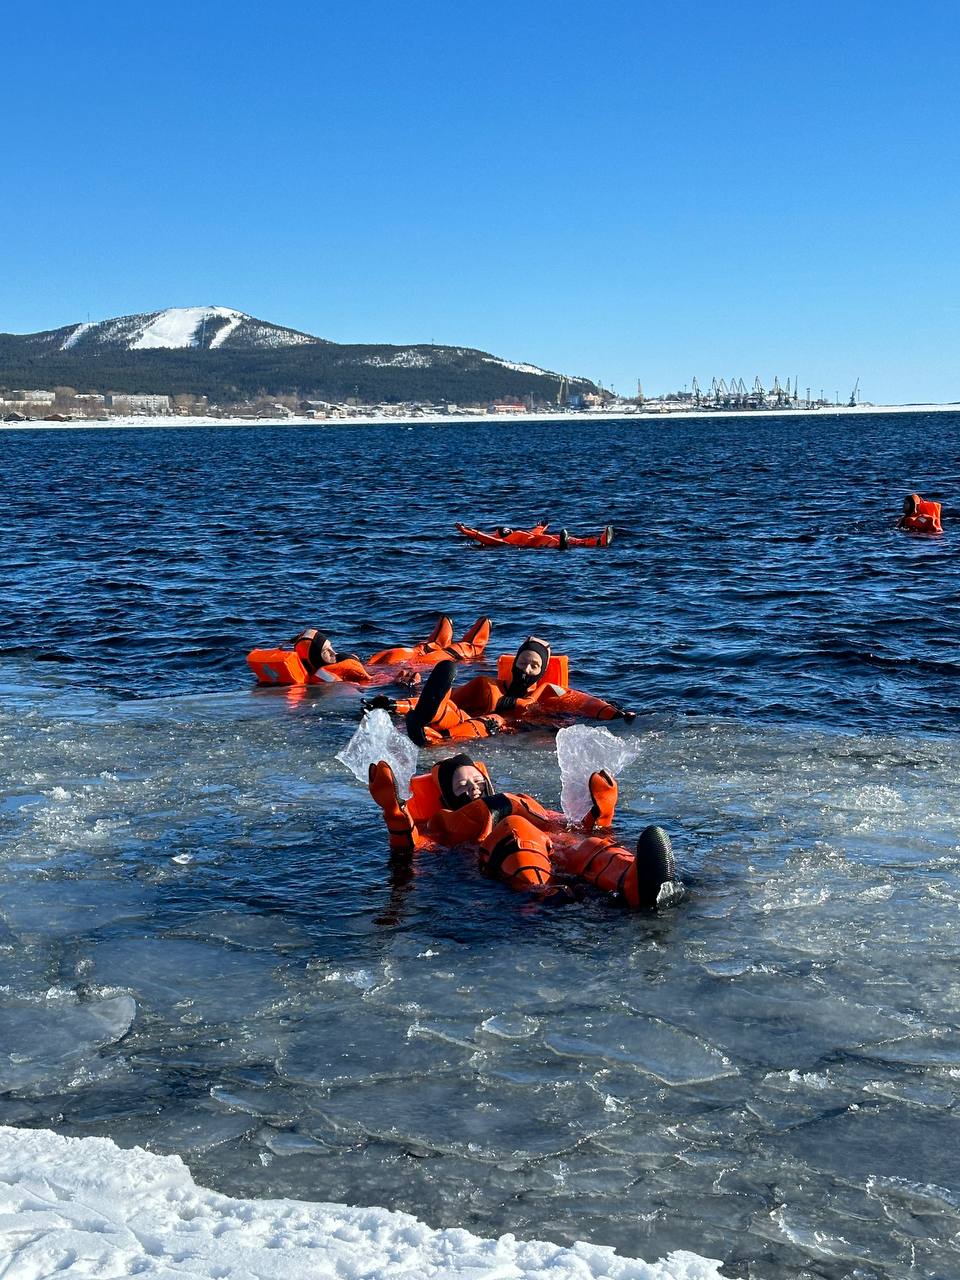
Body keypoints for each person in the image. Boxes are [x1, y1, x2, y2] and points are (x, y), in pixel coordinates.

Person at [367, 752, 677, 909]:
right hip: (501, 854)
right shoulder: (443, 822)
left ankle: (636, 882)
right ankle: (542, 896)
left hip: (554, 847)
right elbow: (412, 848)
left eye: (477, 782)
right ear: (447, 796)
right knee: (515, 828)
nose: (473, 789)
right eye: (462, 786)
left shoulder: (521, 799)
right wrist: (395, 813)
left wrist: (599, 814)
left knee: (587, 845)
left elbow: (565, 825)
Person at [368, 637, 636, 745]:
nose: (526, 670)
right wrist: (395, 705)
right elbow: (453, 698)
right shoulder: (488, 686)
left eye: (533, 666)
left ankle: (430, 736)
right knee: (450, 709)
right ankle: (424, 720)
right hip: (467, 717)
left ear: (542, 671)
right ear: (513, 664)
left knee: (492, 721)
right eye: (522, 663)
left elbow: (585, 703)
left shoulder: (549, 693)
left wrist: (615, 714)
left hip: (504, 728)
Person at [247, 614, 490, 687]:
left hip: (383, 662)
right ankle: (467, 646)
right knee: (437, 654)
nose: (332, 650)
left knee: (426, 652)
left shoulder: (324, 671)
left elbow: (368, 679)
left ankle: (439, 644)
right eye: (327, 648)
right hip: (388, 665)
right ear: (317, 655)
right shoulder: (330, 673)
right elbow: (369, 680)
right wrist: (398, 679)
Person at [456, 521, 614, 549]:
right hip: (532, 544)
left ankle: (598, 542)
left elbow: (533, 532)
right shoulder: (500, 542)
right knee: (550, 540)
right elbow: (485, 538)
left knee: (568, 538)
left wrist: (541, 526)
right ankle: (561, 546)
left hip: (534, 537)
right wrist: (469, 532)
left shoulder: (515, 534)